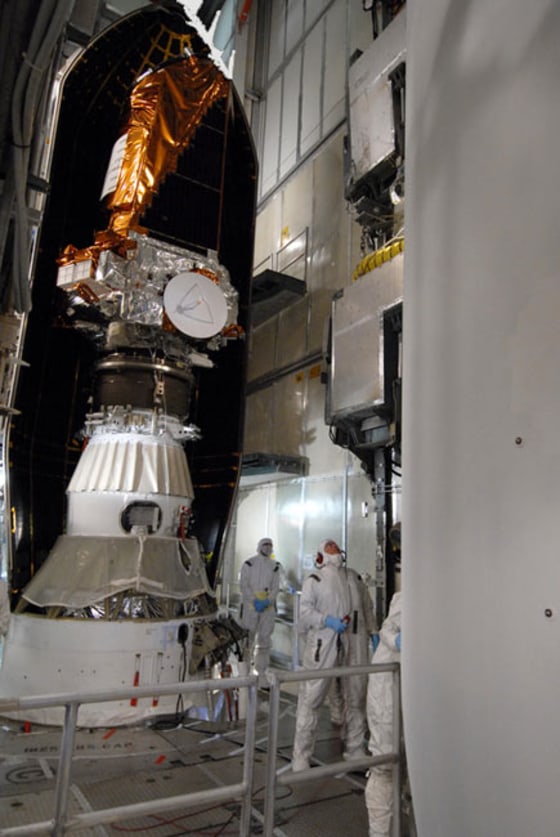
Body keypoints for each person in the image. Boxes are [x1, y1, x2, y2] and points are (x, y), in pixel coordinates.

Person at [292, 538, 377, 771]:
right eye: (329, 546)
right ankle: (301, 755)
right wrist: (326, 621)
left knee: (356, 695)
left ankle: (355, 748)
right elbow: (305, 613)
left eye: (335, 545)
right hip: (324, 642)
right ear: (321, 554)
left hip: (354, 640)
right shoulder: (315, 580)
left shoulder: (353, 577)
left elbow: (367, 607)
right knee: (312, 696)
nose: (334, 547)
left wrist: (373, 630)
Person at [365, 588, 402, 837]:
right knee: (385, 767)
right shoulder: (409, 597)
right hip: (387, 692)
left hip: (408, 693)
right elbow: (388, 631)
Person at [238, 537, 294, 687]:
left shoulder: (275, 566)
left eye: (270, 545)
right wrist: (253, 600)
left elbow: (276, 586)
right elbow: (243, 585)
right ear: (259, 546)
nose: (268, 548)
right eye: (265, 545)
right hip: (251, 608)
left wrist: (268, 601)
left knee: (264, 640)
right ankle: (244, 672)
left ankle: (260, 673)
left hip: (267, 609)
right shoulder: (249, 564)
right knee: (247, 639)